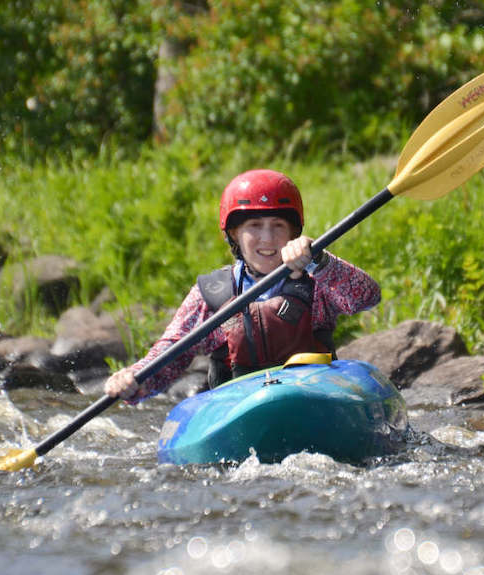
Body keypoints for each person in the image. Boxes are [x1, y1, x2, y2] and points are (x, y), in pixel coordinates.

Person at [104, 168, 380, 403]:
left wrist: (321, 262)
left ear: (293, 231)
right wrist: (136, 378)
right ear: (234, 233)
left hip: (313, 397)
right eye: (255, 226)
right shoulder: (211, 293)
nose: (267, 238)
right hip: (237, 405)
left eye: (278, 226)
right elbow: (173, 350)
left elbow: (367, 296)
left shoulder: (318, 278)